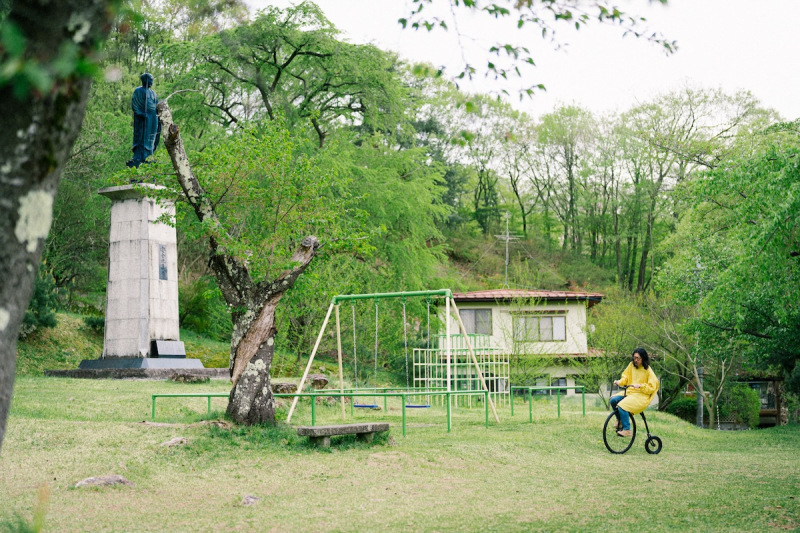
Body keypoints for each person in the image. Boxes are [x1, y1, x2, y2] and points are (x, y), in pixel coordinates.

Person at [610, 348, 659, 437]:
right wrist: (619, 382)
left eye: (638, 358)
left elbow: (652, 387)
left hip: (641, 396)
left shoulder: (648, 370)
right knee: (613, 400)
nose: (635, 360)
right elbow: (625, 377)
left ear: (643, 358)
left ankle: (627, 429)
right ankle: (620, 420)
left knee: (622, 405)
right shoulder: (631, 365)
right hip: (630, 393)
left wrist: (641, 386)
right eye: (634, 358)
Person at [127, 72, 161, 168]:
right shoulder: (138, 91)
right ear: (145, 80)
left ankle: (149, 155)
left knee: (152, 137)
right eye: (150, 80)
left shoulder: (153, 93)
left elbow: (156, 106)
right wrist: (141, 113)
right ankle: (139, 156)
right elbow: (135, 105)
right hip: (143, 119)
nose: (151, 82)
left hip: (153, 118)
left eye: (152, 80)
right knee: (142, 137)